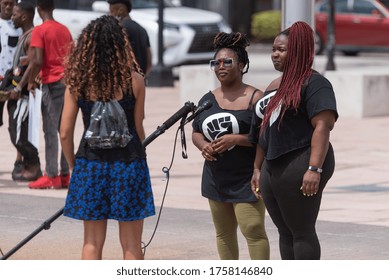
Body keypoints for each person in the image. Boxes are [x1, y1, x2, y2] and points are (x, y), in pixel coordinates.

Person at [60, 15, 155, 260]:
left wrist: (74, 165)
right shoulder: (135, 80)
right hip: (129, 163)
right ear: (120, 45)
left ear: (87, 46)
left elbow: (65, 132)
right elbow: (138, 126)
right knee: (132, 245)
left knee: (91, 242)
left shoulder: (77, 82)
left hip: (90, 164)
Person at [249, 21, 338, 260]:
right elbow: (262, 130)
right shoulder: (273, 86)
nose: (274, 55)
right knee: (285, 232)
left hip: (300, 161)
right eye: (273, 50)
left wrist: (314, 168)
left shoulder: (315, 83)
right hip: (271, 165)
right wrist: (257, 167)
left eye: (281, 50)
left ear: (297, 51)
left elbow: (323, 126)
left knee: (301, 231)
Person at [191, 32, 269, 260]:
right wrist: (203, 145)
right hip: (216, 176)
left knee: (253, 229)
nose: (220, 66)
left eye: (228, 62)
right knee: (224, 234)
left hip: (247, 175)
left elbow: (267, 137)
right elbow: (196, 131)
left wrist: (236, 139)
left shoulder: (256, 97)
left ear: (242, 65)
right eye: (216, 62)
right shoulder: (208, 99)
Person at [27, 0, 73, 189]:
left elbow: (37, 60)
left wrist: (30, 80)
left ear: (39, 9)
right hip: (67, 83)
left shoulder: (40, 30)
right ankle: (64, 174)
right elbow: (72, 56)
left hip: (51, 83)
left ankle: (52, 175)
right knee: (65, 129)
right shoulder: (64, 29)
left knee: (50, 131)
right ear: (52, 8)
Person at [5, 1, 42, 181]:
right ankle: (29, 165)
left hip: (24, 95)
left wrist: (20, 87)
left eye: (15, 14)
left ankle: (34, 166)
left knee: (19, 134)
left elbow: (35, 63)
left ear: (24, 16)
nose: (12, 17)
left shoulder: (32, 36)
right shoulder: (25, 35)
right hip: (16, 92)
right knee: (15, 132)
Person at [0, 0, 23, 179]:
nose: (8, 8)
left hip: (15, 81)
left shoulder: (21, 26)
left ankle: (19, 159)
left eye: (11, 4)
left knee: (17, 123)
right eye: (5, 3)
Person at [108, 0, 152, 76]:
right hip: (140, 82)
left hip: (124, 81)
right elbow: (149, 63)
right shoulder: (142, 30)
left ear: (121, 10)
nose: (110, 15)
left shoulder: (118, 29)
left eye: (112, 11)